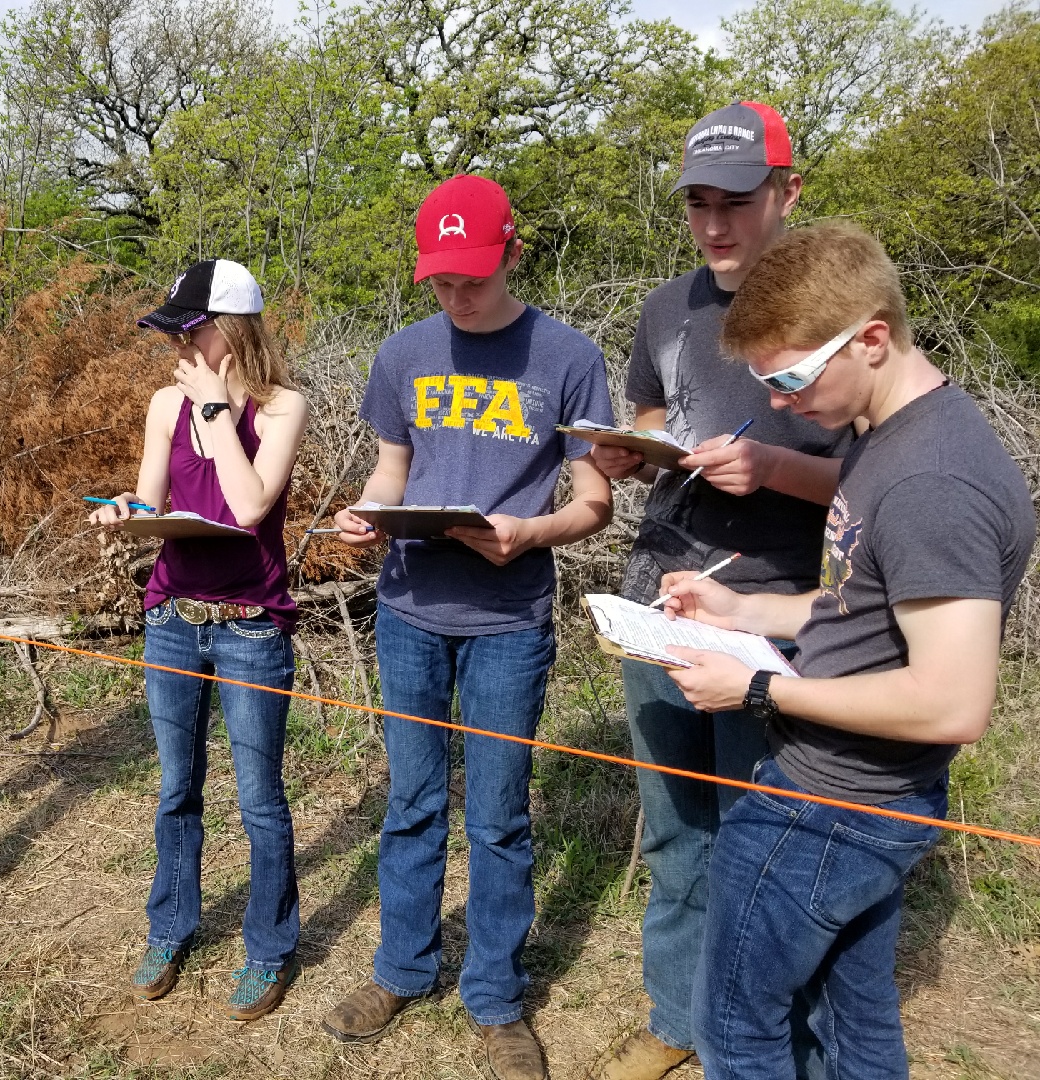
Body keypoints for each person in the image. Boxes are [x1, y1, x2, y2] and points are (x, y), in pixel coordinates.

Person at [659, 220, 1035, 1078]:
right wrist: (740, 608)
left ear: (871, 339)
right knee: (852, 1025)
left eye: (789, 378)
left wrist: (758, 690)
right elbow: (857, 609)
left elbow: (952, 700)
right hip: (857, 796)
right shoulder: (889, 437)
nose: (782, 405)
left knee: (735, 1031)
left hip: (832, 803)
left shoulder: (932, 482)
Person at [321, 175, 614, 1080]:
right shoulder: (403, 354)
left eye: (472, 280)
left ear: (513, 253)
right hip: (410, 611)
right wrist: (365, 516)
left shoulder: (568, 357)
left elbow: (595, 501)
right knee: (410, 804)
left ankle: (495, 1001)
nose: (456, 296)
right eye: (441, 282)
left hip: (506, 619)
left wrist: (533, 532)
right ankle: (401, 970)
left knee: (495, 817)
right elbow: (391, 470)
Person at [586, 102, 852, 1080]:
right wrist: (624, 454)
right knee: (677, 831)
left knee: (760, 835)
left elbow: (876, 476)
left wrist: (775, 472)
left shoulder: (836, 323)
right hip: (656, 594)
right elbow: (656, 422)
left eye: (736, 201)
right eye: (698, 203)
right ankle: (675, 1021)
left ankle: (750, 1038)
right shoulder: (666, 309)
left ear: (790, 193)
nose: (714, 226)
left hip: (768, 609)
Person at [89, 258, 309, 1021]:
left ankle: (270, 947)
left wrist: (217, 411)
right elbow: (153, 498)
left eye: (190, 331)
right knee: (176, 789)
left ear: (233, 329)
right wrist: (125, 510)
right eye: (172, 332)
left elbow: (248, 506)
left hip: (251, 624)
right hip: (173, 619)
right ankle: (170, 928)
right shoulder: (164, 404)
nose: (177, 348)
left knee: (258, 799)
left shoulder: (282, 408)